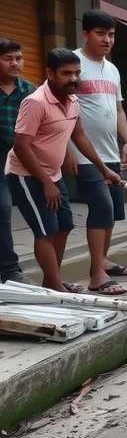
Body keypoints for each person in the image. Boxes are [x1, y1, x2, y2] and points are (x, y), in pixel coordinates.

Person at [5, 48, 121, 293]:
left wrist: (103, 169)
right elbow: (21, 146)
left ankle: (52, 281)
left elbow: (79, 136)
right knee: (45, 230)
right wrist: (46, 183)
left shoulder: (73, 100)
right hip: (25, 175)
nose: (74, 78)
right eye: (66, 73)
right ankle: (55, 286)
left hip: (53, 174)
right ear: (50, 73)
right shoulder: (35, 102)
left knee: (65, 225)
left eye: (77, 73)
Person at [65, 9, 127, 295]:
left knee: (113, 212)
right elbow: (61, 107)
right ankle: (96, 275)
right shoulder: (72, 63)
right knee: (102, 208)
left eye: (111, 34)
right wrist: (67, 148)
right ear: (85, 33)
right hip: (83, 153)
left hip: (110, 153)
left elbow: (118, 109)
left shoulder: (112, 69)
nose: (107, 40)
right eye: (100, 34)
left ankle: (103, 261)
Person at [0, 39, 36, 284]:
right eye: (8, 58)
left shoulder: (29, 91)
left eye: (19, 58)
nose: (15, 63)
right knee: (3, 209)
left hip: (21, 157)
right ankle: (10, 269)